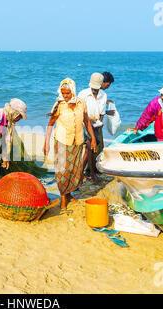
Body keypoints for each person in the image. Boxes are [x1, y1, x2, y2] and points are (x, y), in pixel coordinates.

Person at [44, 78, 97, 209]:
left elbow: (86, 121)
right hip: (62, 141)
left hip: (78, 141)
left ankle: (68, 194)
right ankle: (63, 198)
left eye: (67, 93)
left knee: (74, 170)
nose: (65, 96)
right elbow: (50, 124)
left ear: (73, 91)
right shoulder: (59, 105)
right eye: (63, 93)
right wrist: (46, 143)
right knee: (62, 171)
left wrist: (93, 138)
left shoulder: (81, 103)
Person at [78, 73, 107, 182]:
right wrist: (88, 121)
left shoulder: (103, 95)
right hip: (83, 124)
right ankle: (89, 174)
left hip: (95, 125)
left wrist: (99, 123)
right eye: (93, 88)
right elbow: (79, 111)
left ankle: (83, 173)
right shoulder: (83, 94)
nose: (94, 90)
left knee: (90, 150)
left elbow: (101, 113)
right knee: (88, 148)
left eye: (97, 88)